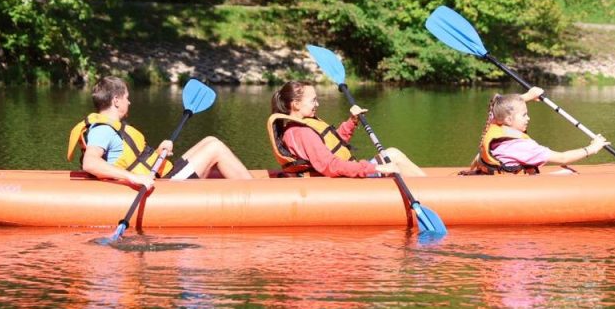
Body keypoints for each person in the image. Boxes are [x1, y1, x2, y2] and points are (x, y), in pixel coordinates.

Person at [68, 76, 252, 188]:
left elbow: (134, 160)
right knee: (215, 148)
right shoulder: (103, 130)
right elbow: (90, 163)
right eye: (127, 98)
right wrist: (133, 178)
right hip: (168, 187)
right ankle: (259, 192)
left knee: (210, 140)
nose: (129, 102)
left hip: (162, 176)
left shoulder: (111, 127)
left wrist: (158, 153)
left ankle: (254, 187)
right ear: (116, 101)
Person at [267, 81, 425, 178]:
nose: (317, 104)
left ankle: (429, 188)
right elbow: (331, 166)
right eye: (313, 100)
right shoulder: (301, 132)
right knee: (393, 155)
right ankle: (433, 192)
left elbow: (334, 145)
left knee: (392, 154)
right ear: (295, 104)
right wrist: (375, 168)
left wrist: (352, 121)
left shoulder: (301, 126)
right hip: (337, 181)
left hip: (341, 174)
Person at [470, 86, 610, 174]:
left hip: (498, 179)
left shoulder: (496, 122)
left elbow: (498, 106)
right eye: (524, 115)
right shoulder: (522, 146)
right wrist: (592, 148)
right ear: (508, 120)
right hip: (516, 189)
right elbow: (563, 158)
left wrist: (527, 96)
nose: (528, 118)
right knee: (569, 172)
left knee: (564, 171)